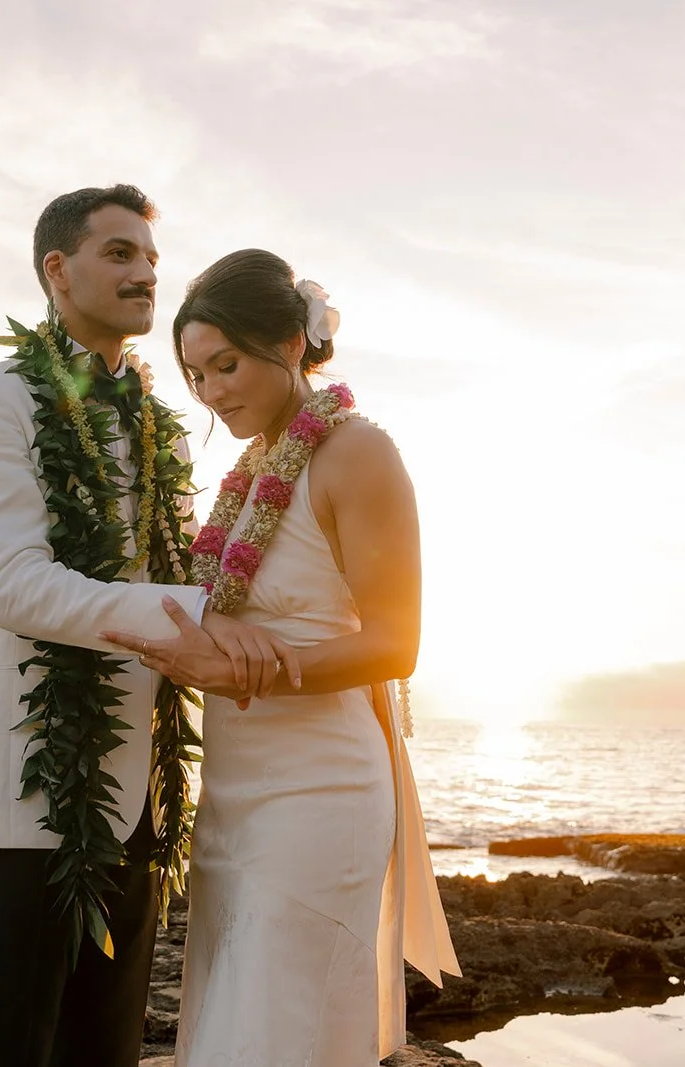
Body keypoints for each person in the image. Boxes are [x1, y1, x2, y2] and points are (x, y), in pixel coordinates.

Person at [0, 188, 294, 1067]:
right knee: (3, 1044)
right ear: (58, 270)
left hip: (146, 786)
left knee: (105, 1049)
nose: (146, 274)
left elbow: (179, 570)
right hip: (35, 777)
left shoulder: (159, 427)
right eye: (120, 254)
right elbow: (11, 585)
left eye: (150, 259)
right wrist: (193, 618)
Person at [102, 249, 460, 1066]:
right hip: (234, 794)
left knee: (283, 1028)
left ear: (292, 345)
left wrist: (250, 669)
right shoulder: (253, 466)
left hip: (320, 788)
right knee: (234, 1019)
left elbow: (395, 643)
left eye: (226, 364)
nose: (213, 391)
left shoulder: (357, 452)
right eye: (195, 375)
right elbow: (217, 608)